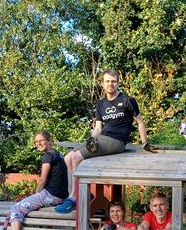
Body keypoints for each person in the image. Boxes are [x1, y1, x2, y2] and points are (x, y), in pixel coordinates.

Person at [55, 69, 154, 213]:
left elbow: (140, 121)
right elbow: (98, 129)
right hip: (102, 138)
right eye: (107, 81)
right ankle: (84, 193)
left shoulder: (127, 100)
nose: (111, 84)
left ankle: (74, 197)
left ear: (118, 83)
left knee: (76, 157)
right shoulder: (101, 104)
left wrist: (144, 142)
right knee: (68, 157)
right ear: (103, 84)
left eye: (113, 81)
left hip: (116, 142)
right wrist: (91, 139)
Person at [3, 131, 69, 230]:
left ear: (50, 140)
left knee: (15, 208)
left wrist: (37, 194)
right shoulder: (59, 155)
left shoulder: (48, 156)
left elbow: (43, 179)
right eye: (36, 141)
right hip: (60, 196)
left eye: (41, 140)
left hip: (51, 195)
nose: (38, 143)